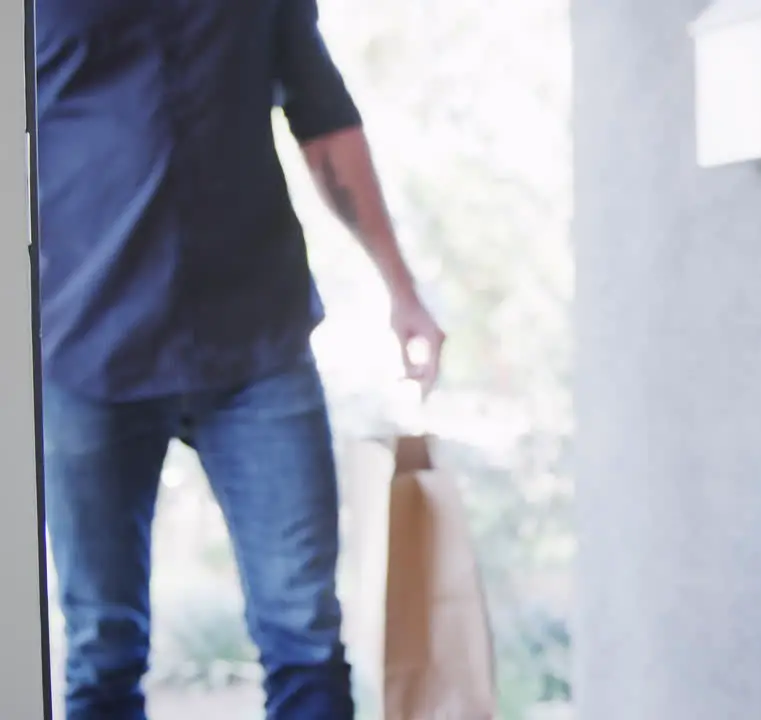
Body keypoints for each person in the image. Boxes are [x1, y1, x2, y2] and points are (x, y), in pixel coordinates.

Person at [34, 1, 445, 717]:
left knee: (305, 632)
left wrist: (402, 290)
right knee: (102, 642)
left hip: (256, 347)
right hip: (84, 348)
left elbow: (324, 118)